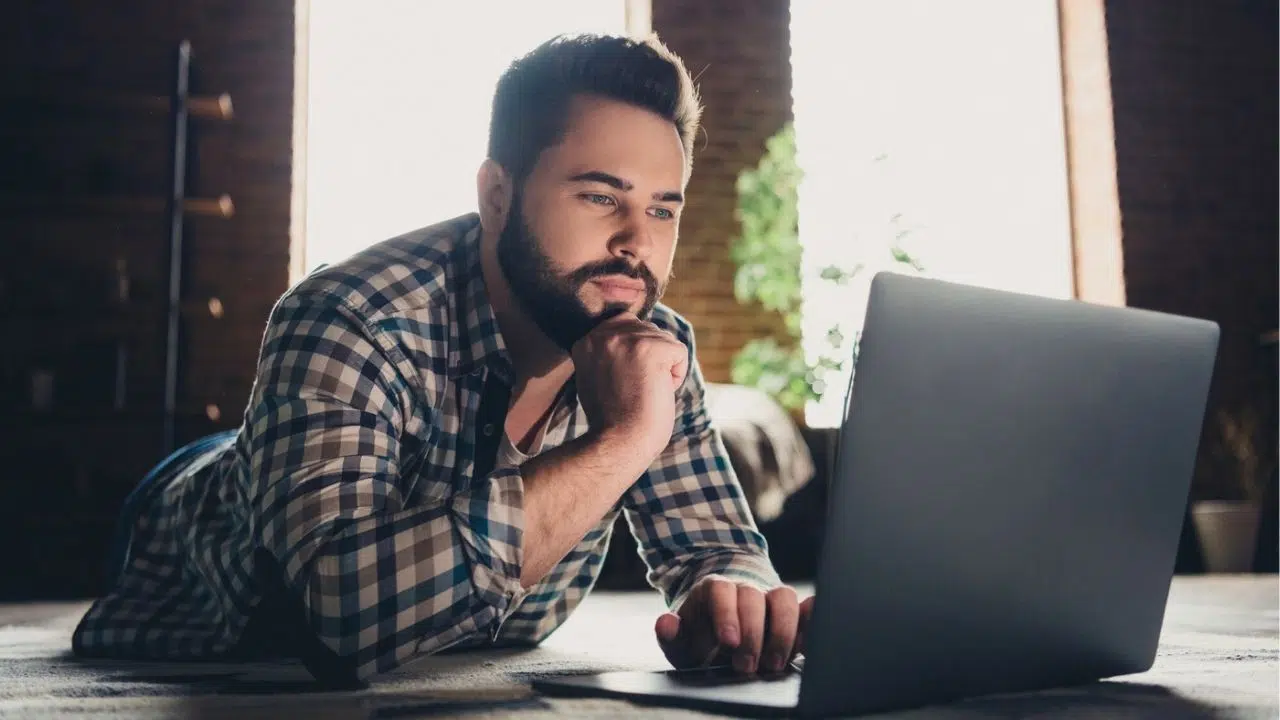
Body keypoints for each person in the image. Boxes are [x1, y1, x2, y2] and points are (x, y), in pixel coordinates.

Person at [72, 32, 814, 685]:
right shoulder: (349, 315)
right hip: (202, 524)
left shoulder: (651, 347)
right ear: (496, 194)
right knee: (238, 482)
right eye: (599, 197)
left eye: (662, 208)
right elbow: (339, 619)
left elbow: (718, 547)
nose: (637, 241)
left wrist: (734, 598)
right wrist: (621, 442)